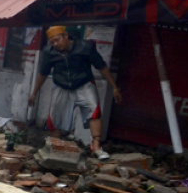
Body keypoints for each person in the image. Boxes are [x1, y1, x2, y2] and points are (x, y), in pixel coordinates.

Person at [29, 26, 122, 160]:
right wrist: (34, 93)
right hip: (61, 85)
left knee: (94, 112)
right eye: (52, 42)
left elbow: (101, 66)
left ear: (66, 36)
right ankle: (55, 147)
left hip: (84, 83)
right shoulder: (49, 52)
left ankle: (96, 147)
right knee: (55, 117)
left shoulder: (85, 47)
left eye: (57, 40)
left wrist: (114, 87)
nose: (55, 44)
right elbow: (43, 74)